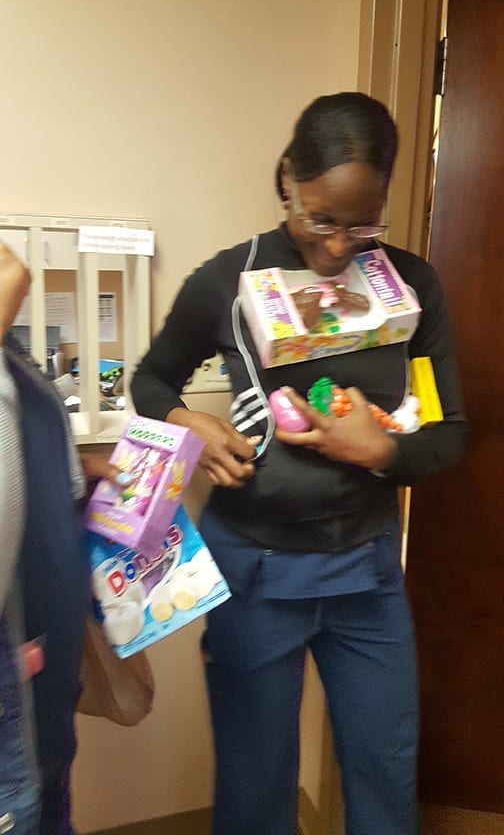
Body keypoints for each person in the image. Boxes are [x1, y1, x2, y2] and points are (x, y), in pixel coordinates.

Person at [130, 92, 468, 835]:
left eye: (362, 223)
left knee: (384, 769)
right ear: (287, 179)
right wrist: (189, 422)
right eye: (320, 219)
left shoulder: (411, 288)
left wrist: (384, 450)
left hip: (366, 568)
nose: (339, 246)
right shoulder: (227, 279)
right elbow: (149, 382)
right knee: (255, 784)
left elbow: (450, 433)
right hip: (254, 570)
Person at [0, 242, 122, 835]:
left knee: (52, 790)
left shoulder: (14, 351)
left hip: (45, 644)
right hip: (10, 668)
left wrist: (80, 472)